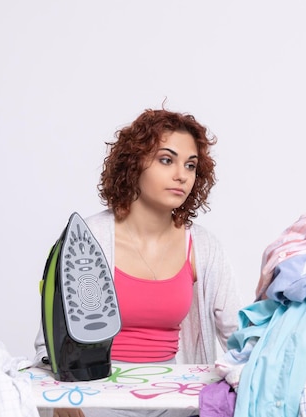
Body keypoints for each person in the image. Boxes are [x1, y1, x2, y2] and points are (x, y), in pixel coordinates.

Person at [33, 108, 244, 417]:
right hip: (95, 395)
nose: (181, 175)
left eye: (190, 165)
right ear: (134, 164)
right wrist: (64, 399)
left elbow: (238, 336)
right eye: (166, 160)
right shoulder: (88, 238)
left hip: (173, 398)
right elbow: (49, 341)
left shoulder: (203, 246)